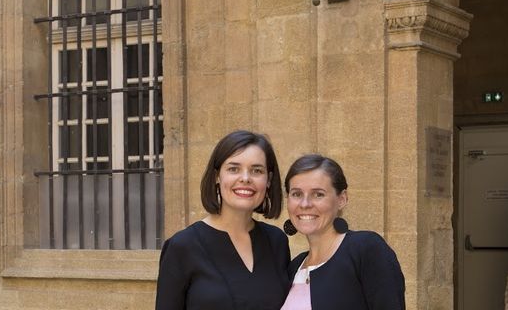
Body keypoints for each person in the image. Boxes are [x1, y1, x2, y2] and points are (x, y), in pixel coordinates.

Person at [155, 130, 290, 310]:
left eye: (257, 170)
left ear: (268, 180)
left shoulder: (276, 242)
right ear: (217, 176)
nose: (245, 178)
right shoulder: (182, 246)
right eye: (234, 169)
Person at [280, 154, 406, 310]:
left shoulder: (366, 249)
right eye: (296, 194)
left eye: (318, 194)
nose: (305, 204)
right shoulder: (295, 267)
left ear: (342, 199)